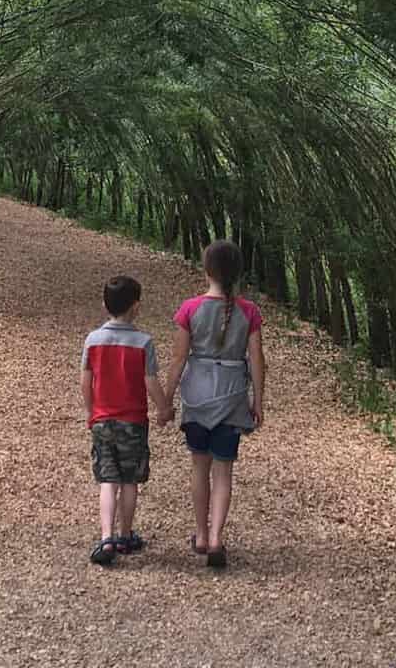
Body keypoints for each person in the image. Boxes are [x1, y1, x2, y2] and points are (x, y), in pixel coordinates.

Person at [161, 239, 266, 569]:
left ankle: (201, 534)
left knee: (199, 467)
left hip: (198, 396)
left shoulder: (189, 309)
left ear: (206, 270)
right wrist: (257, 400)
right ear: (236, 273)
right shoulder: (249, 312)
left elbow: (179, 359)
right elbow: (257, 359)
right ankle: (218, 537)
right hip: (233, 396)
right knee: (224, 471)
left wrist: (165, 398)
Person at [81, 274, 169, 566]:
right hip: (133, 421)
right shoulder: (143, 342)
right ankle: (125, 534)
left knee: (108, 479)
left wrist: (90, 411)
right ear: (136, 307)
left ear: (104, 305)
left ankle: (106, 537)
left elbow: (86, 380)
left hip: (103, 420)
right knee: (130, 481)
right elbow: (150, 381)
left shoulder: (92, 341)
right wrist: (164, 408)